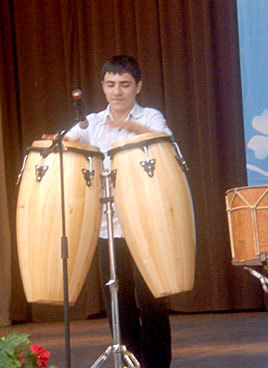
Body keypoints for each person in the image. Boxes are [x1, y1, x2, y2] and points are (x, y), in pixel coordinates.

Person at [64, 55, 172, 368]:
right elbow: (70, 141)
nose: (117, 91)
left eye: (124, 84)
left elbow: (165, 142)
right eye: (111, 84)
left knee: (152, 298)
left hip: (146, 221)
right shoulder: (92, 122)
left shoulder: (150, 116)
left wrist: (130, 127)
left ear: (138, 86)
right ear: (103, 87)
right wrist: (61, 142)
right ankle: (130, 361)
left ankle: (156, 365)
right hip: (107, 224)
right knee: (117, 299)